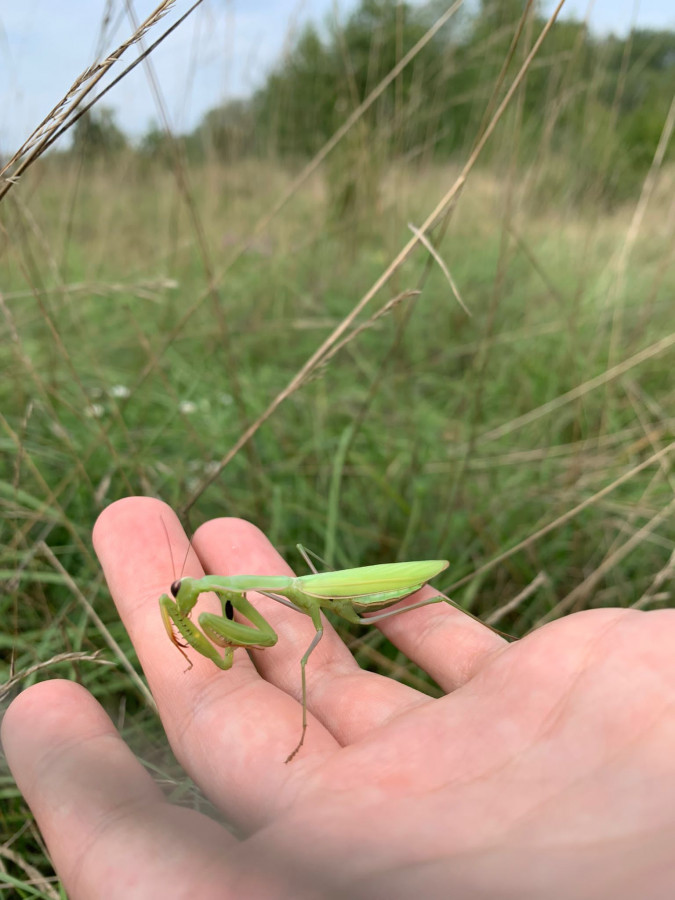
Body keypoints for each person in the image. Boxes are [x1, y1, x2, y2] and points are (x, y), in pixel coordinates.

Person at [4, 496, 675, 899]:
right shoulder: (241, 597)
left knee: (307, 647)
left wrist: (297, 722)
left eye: (183, 596)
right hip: (326, 591)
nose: (184, 606)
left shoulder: (257, 597)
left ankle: (301, 716)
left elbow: (265, 640)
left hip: (364, 591)